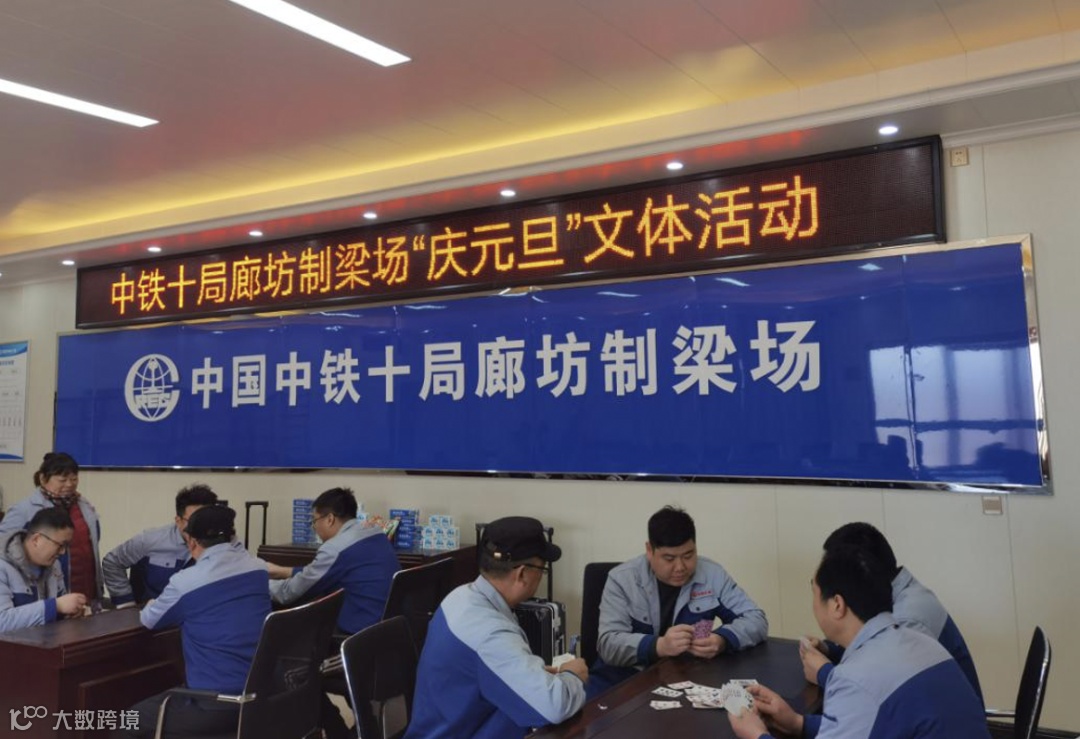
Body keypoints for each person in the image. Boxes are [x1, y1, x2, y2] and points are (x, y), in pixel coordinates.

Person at [728, 545, 990, 739]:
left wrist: (757, 735)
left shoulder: (855, 679)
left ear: (837, 605)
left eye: (814, 591)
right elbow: (867, 725)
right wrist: (798, 723)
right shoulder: (920, 640)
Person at [406, 516, 588, 739]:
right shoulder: (489, 633)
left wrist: (534, 674)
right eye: (542, 569)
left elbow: (486, 669)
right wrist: (572, 676)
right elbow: (554, 707)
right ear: (522, 574)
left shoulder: (460, 597)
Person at [119, 505, 270, 739]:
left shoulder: (186, 582)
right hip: (261, 698)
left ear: (191, 541)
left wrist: (151, 604)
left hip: (212, 703)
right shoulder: (258, 569)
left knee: (128, 722)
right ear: (232, 536)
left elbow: (149, 620)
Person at [800, 522, 983, 703]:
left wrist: (825, 673)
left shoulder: (906, 619)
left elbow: (885, 691)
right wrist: (830, 651)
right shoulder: (900, 594)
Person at [594, 505, 767, 689]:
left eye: (688, 555)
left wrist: (723, 639)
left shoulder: (712, 574)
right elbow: (608, 644)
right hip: (622, 680)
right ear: (649, 550)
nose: (680, 567)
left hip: (685, 677)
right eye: (669, 559)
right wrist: (659, 646)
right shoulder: (621, 580)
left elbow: (756, 619)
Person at [266, 486, 399, 633]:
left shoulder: (335, 549)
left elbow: (289, 593)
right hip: (388, 627)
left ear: (330, 519)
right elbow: (325, 574)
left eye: (314, 521)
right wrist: (281, 571)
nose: (314, 527)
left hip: (358, 633)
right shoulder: (376, 533)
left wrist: (254, 582)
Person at [0, 452, 103, 601]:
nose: (69, 484)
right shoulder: (23, 510)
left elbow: (93, 543)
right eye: (62, 480)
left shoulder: (84, 506)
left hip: (86, 589)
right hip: (46, 593)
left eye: (74, 479)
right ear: (43, 479)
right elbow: (4, 548)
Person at [102, 484, 220, 606]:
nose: (200, 526)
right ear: (178, 521)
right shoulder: (150, 540)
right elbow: (112, 562)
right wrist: (126, 603)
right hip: (152, 614)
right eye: (194, 521)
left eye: (206, 520)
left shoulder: (223, 545)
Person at [1, 508, 88, 632]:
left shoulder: (54, 565)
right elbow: (2, 622)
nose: (63, 552)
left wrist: (69, 612)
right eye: (60, 545)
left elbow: (60, 607)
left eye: (66, 546)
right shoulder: (3, 566)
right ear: (36, 540)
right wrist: (55, 606)